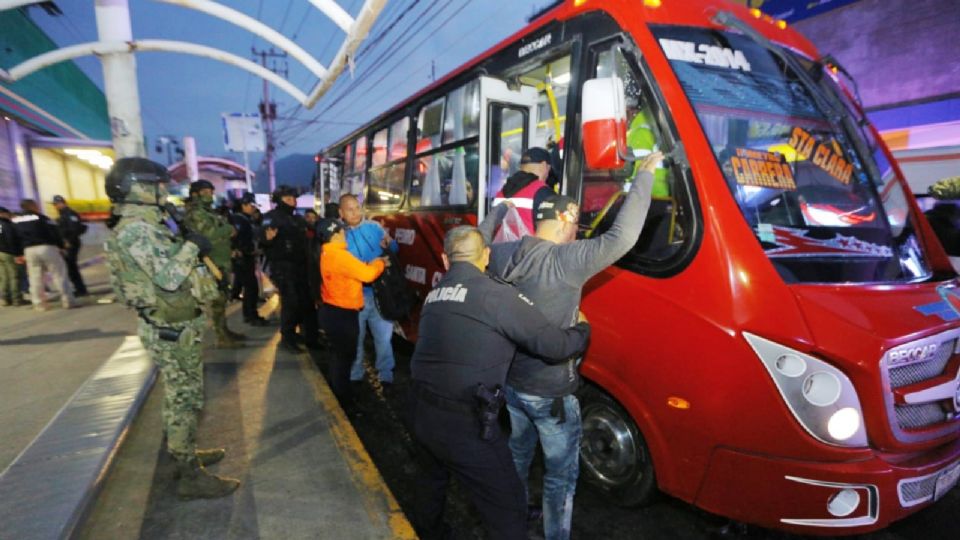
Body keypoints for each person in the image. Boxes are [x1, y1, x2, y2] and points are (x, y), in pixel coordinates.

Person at [478, 152, 662, 540]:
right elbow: (623, 237)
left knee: (518, 453)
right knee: (560, 476)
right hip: (550, 392)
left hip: (512, 383)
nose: (578, 231)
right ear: (563, 220)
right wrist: (643, 178)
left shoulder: (501, 254)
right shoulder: (567, 260)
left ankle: (511, 521)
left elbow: (473, 245)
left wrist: (498, 213)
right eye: (576, 223)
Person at [410, 225, 592, 540]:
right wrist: (582, 330)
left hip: (421, 412)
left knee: (431, 483)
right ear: (486, 257)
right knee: (506, 508)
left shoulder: (435, 295)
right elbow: (555, 347)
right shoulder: (496, 294)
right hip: (464, 423)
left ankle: (430, 532)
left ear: (444, 259)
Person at [103, 157, 239, 500]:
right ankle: (189, 475)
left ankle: (183, 452)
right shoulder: (137, 229)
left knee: (182, 397)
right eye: (158, 185)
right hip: (170, 329)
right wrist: (194, 246)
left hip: (173, 324)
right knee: (185, 399)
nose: (164, 190)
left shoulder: (149, 223)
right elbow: (167, 278)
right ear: (139, 188)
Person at [318, 219, 386, 405]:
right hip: (343, 315)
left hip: (331, 312)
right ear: (335, 235)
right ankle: (344, 399)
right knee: (345, 358)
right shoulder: (340, 256)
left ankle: (337, 391)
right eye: (342, 232)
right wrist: (379, 262)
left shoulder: (326, 252)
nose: (345, 235)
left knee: (337, 357)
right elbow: (367, 275)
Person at [339, 194, 399, 386]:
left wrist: (390, 243)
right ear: (341, 213)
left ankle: (386, 374)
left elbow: (394, 249)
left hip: (380, 293)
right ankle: (355, 375)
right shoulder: (339, 235)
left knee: (384, 338)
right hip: (355, 295)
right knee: (356, 339)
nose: (355, 212)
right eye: (350, 209)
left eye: (357, 207)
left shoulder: (374, 227)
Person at [183, 179, 246, 348]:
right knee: (217, 300)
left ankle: (224, 330)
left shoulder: (208, 211)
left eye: (211, 191)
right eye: (205, 192)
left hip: (220, 259)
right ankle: (221, 337)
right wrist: (228, 230)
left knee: (222, 298)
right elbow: (208, 236)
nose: (210, 194)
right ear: (195, 194)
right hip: (211, 262)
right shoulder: (196, 213)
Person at [262, 185, 319, 351]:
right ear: (279, 200)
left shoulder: (298, 219)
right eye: (288, 199)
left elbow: (313, 232)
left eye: (294, 198)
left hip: (301, 267)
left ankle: (310, 338)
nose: (292, 202)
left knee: (307, 303)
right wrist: (267, 239)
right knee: (291, 303)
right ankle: (288, 337)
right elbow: (262, 237)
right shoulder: (271, 218)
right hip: (283, 267)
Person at [12, 199, 75, 311]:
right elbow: (54, 233)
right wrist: (61, 246)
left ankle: (39, 304)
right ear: (32, 206)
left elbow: (15, 238)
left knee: (35, 278)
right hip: (46, 247)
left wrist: (18, 254)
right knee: (59, 274)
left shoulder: (16, 221)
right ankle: (67, 301)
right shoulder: (42, 218)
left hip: (29, 250)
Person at [492, 147, 558, 236]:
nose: (548, 175)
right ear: (544, 165)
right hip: (530, 249)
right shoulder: (543, 192)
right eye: (549, 169)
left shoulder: (501, 192)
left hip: (499, 248)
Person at [232, 192, 269, 326]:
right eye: (251, 205)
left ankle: (250, 314)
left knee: (250, 288)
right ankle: (251, 315)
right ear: (244, 205)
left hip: (247, 256)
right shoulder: (238, 219)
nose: (253, 208)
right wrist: (245, 251)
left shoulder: (246, 219)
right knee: (251, 288)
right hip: (242, 258)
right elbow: (236, 238)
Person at [52, 194, 89, 296]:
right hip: (66, 243)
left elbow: (74, 229)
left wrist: (68, 241)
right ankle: (79, 288)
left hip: (71, 243)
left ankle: (80, 289)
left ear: (63, 203)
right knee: (70, 267)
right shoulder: (62, 215)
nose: (57, 206)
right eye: (55, 204)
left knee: (71, 266)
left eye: (58, 203)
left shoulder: (70, 214)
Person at [0, 206, 26, 306]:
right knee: (14, 276)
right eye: (8, 214)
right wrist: (17, 254)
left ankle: (5, 298)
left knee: (3, 277)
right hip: (8, 252)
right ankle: (17, 299)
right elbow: (11, 239)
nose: (9, 216)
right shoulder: (6, 224)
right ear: (3, 214)